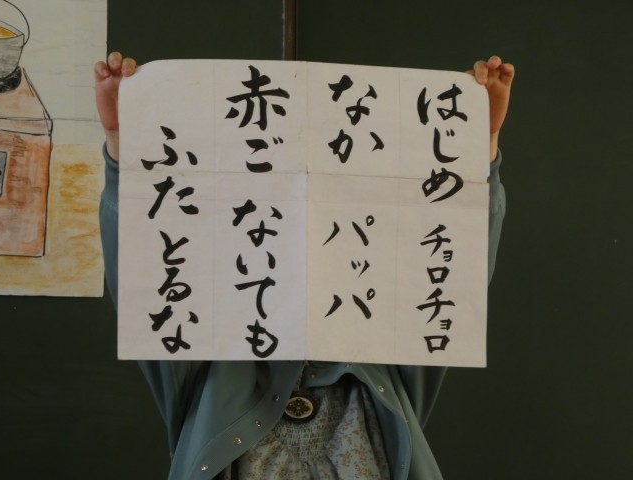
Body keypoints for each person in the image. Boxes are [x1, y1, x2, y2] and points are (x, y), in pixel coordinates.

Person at [95, 51, 514, 480]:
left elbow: (450, 266)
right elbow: (147, 268)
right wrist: (124, 148)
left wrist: (475, 148)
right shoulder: (212, 375)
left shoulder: (385, 360)